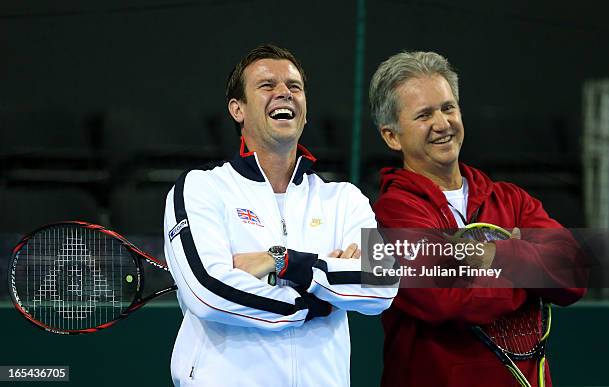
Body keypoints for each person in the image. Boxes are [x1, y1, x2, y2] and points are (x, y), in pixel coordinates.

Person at [163, 44, 397, 387]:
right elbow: (209, 292)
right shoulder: (202, 189)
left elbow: (381, 285)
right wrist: (310, 304)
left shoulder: (344, 199)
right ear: (237, 109)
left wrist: (286, 262)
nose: (284, 93)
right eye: (267, 85)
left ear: (305, 112)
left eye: (294, 87)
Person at [369, 51, 586, 387]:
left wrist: (496, 256)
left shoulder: (513, 199)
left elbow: (574, 274)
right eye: (424, 115)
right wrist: (532, 276)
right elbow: (445, 299)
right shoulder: (383, 216)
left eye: (448, 107)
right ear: (391, 136)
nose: (442, 124)